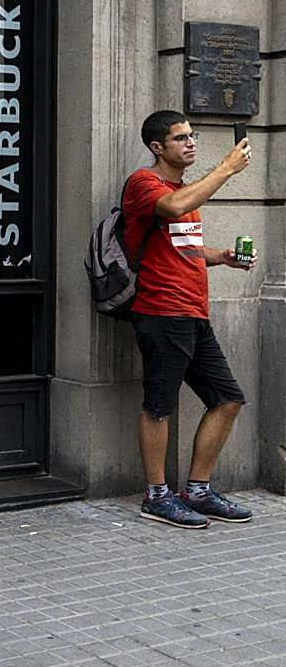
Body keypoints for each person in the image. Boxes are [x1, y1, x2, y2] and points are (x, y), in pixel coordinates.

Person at [123, 110, 256, 529]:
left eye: (192, 135)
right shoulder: (144, 184)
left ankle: (197, 490)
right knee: (159, 407)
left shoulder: (185, 190)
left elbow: (185, 249)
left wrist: (222, 257)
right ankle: (156, 496)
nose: (191, 142)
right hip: (162, 313)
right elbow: (173, 207)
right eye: (181, 138)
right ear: (157, 147)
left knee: (228, 399)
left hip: (194, 313)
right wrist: (227, 168)